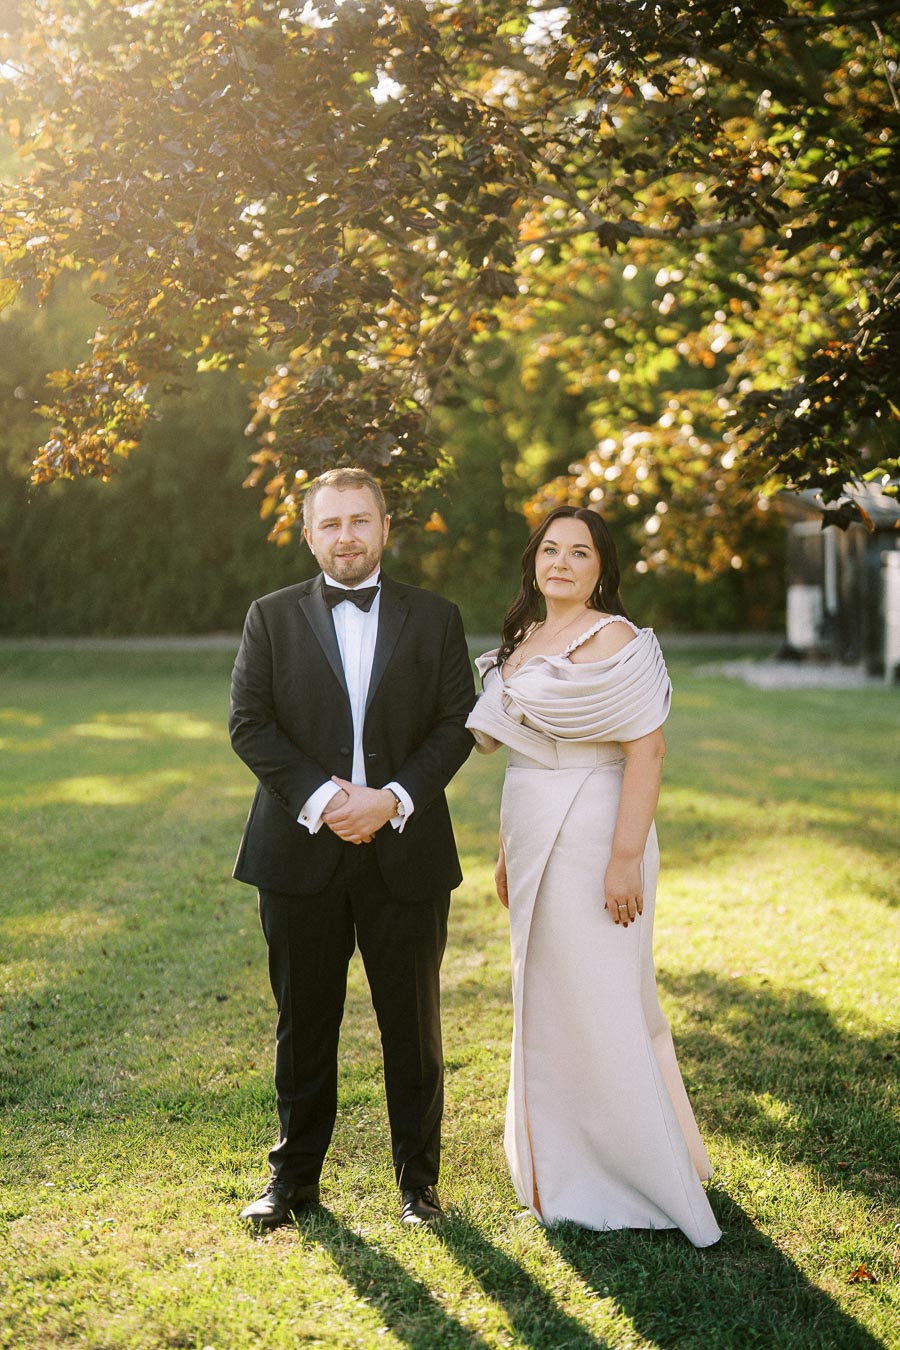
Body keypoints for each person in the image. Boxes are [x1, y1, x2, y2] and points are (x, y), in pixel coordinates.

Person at [465, 505, 721, 1247]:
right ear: (534, 561)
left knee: (605, 998)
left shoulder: (615, 639)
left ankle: (634, 1172)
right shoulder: (523, 636)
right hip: (533, 824)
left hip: (597, 830)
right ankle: (563, 1162)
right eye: (551, 550)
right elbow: (522, 753)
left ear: (602, 568)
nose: (563, 563)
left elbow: (648, 752)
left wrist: (621, 859)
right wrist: (509, 850)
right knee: (547, 999)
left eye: (580, 553)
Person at [230, 467, 475, 1230]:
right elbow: (250, 724)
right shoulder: (269, 617)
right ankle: (292, 1178)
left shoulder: (435, 618)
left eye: (360, 521)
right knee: (303, 1025)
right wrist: (328, 799)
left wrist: (391, 799)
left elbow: (456, 722)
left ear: (384, 528)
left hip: (404, 847)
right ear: (309, 535)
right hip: (300, 851)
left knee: (414, 1025)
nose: (346, 536)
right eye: (330, 524)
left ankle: (419, 1185)